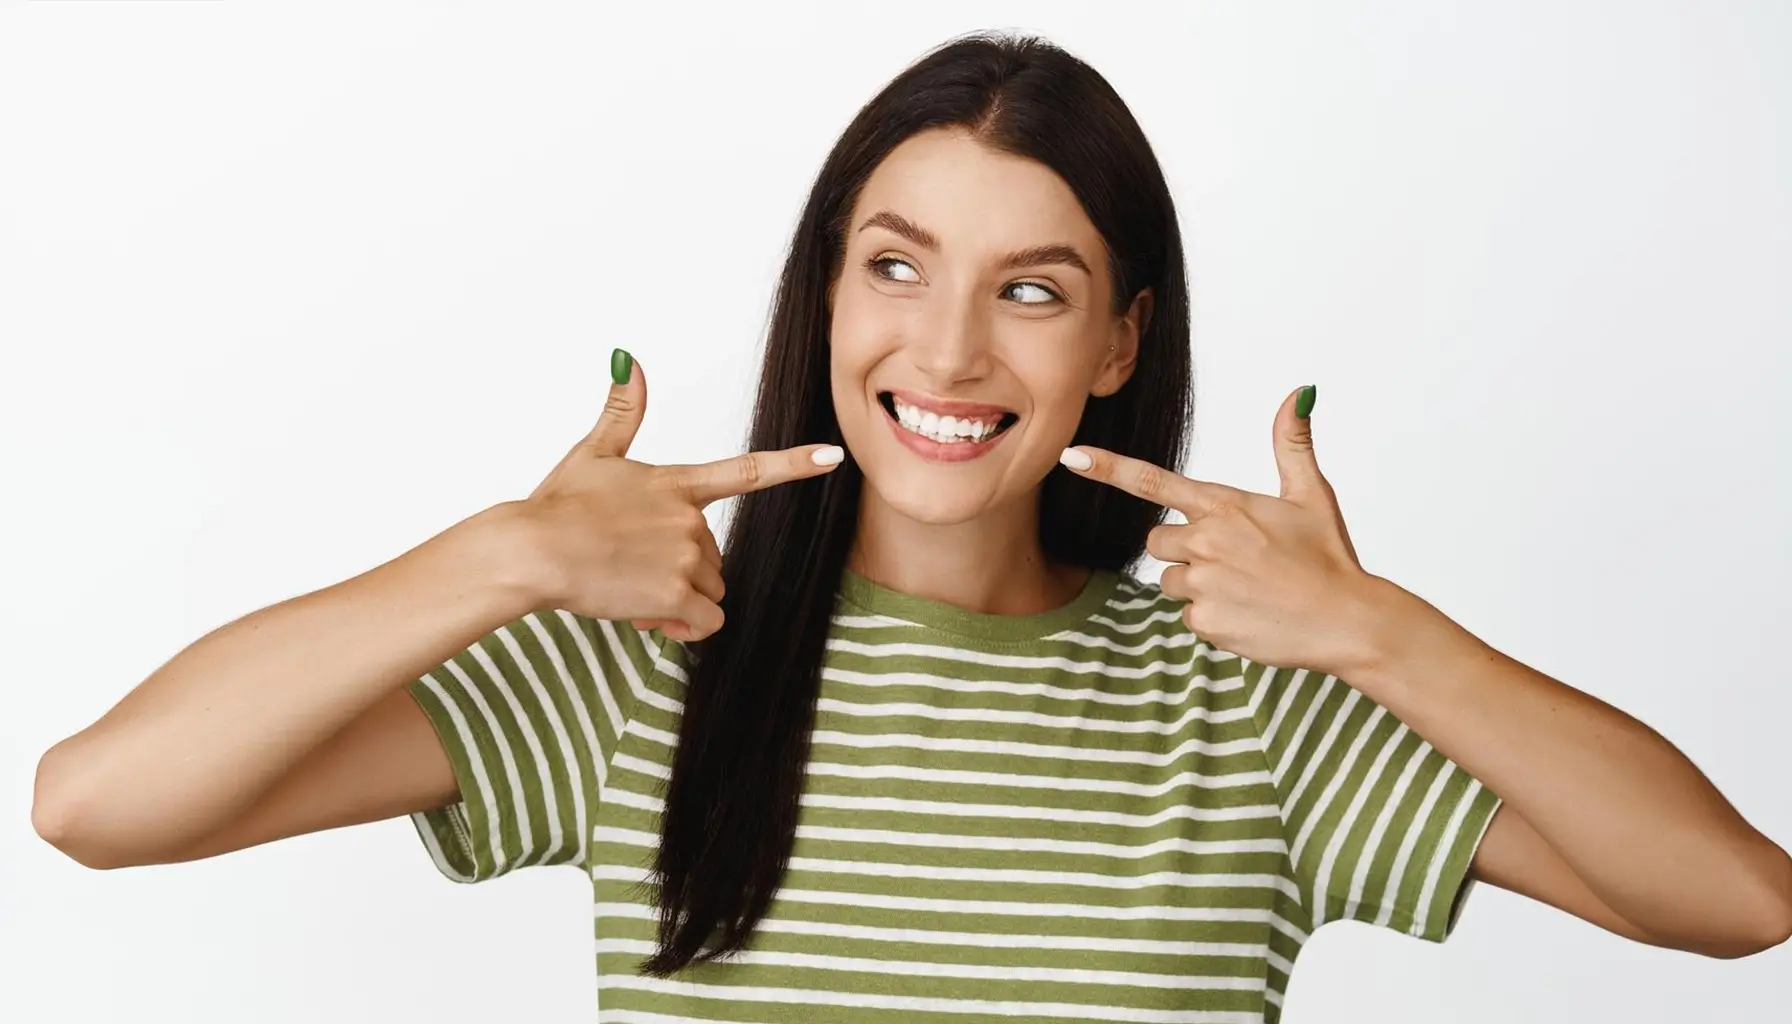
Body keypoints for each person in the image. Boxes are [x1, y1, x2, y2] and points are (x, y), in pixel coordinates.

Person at [31, 30, 1791, 1023]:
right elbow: (98, 804)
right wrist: (500, 555)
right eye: (895, 266)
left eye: (1032, 290)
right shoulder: (652, 664)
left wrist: (1379, 631)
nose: (946, 350)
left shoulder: (1250, 704)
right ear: (828, 295)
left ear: (1117, 344)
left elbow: (1735, 902)